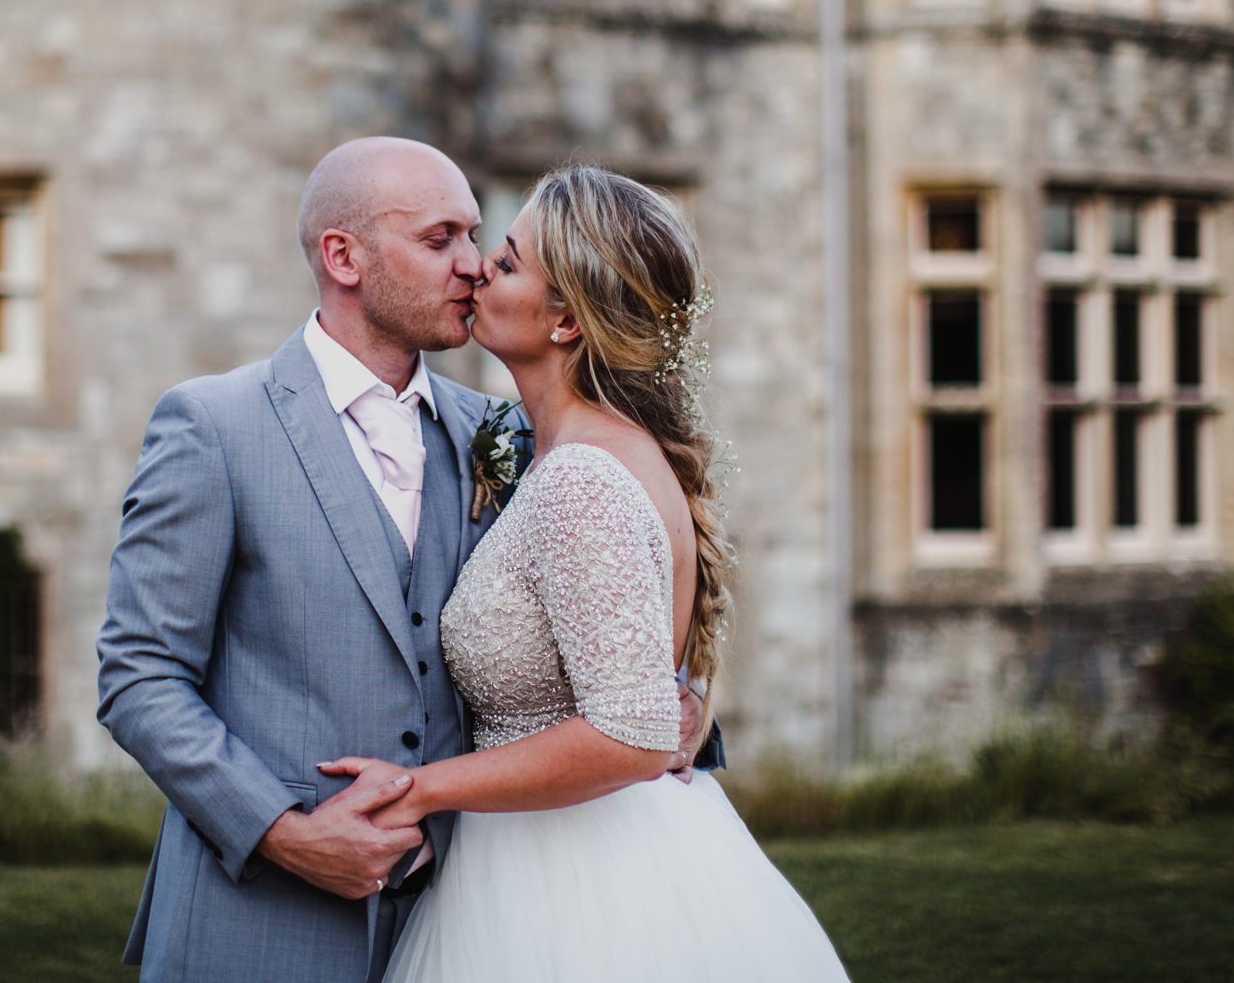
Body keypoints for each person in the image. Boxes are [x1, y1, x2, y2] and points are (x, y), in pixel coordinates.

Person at [96, 139, 707, 983]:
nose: (472, 265)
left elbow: (610, 626)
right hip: (257, 925)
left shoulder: (505, 438)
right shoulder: (213, 427)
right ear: (342, 256)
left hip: (470, 920)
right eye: (439, 239)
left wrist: (689, 712)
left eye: (477, 236)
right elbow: (139, 674)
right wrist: (287, 834)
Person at [320, 164, 853, 982]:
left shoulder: (582, 478)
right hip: (546, 853)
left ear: (565, 318)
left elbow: (632, 728)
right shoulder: (563, 453)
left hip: (577, 881)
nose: (474, 269)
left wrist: (423, 786)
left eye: (504, 259)